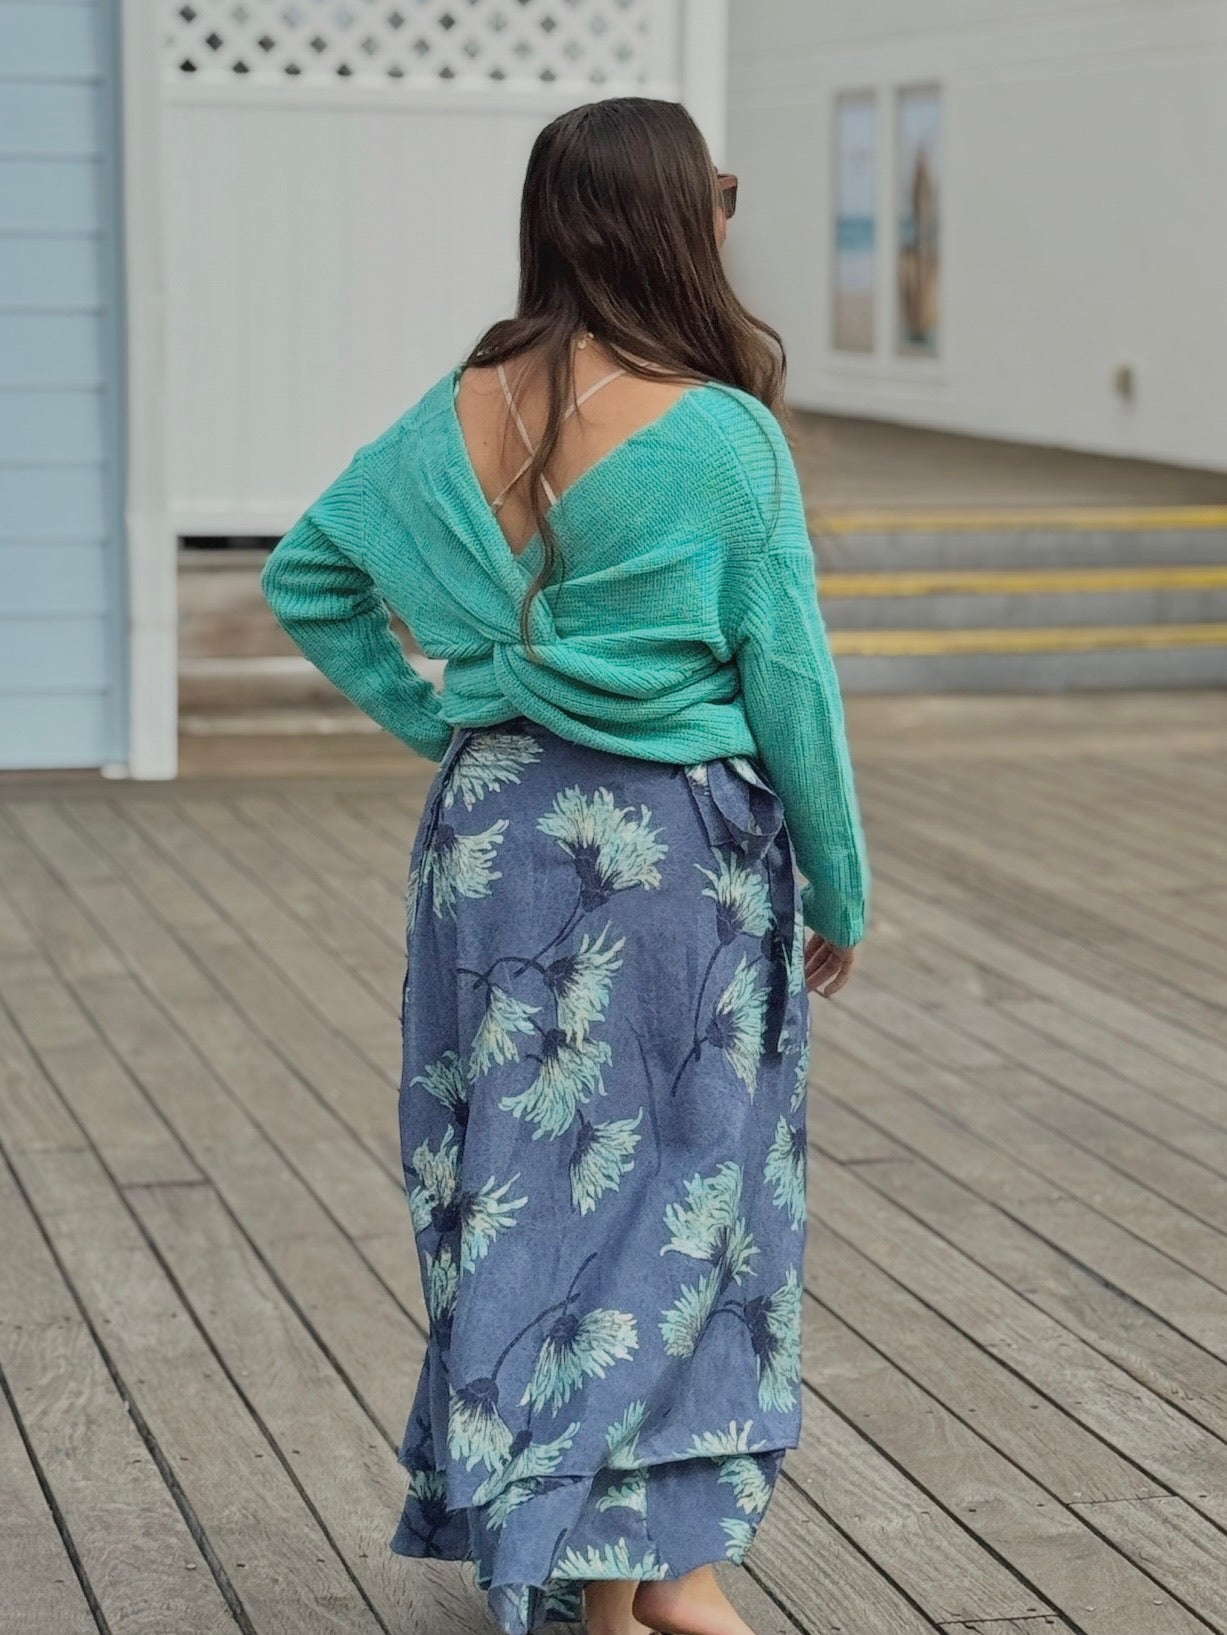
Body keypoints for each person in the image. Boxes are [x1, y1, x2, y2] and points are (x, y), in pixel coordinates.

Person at [262, 95, 870, 1635]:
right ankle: (662, 1575)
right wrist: (843, 885)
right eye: (715, 192)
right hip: (676, 862)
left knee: (518, 1184)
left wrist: (448, 717)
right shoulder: (724, 436)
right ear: (673, 215)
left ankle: (610, 1567)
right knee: (690, 1193)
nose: (728, 215)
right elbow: (789, 676)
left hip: (493, 845)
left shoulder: (462, 400)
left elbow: (310, 574)